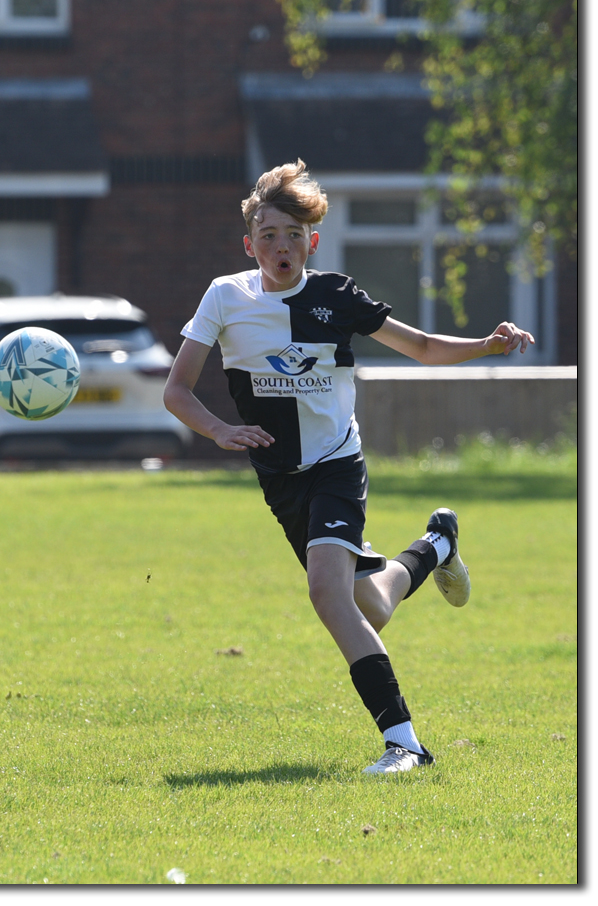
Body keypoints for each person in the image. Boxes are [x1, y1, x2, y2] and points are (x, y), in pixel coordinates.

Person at [163, 160, 535, 774]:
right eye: (268, 235)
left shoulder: (336, 296)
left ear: (311, 240)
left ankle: (405, 745)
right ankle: (436, 546)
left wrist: (487, 344)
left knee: (326, 592)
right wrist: (222, 429)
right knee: (373, 606)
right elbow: (177, 391)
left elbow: (419, 348)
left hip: (336, 465)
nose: (280, 247)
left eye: (291, 235)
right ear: (248, 243)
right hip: (279, 478)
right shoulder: (224, 297)